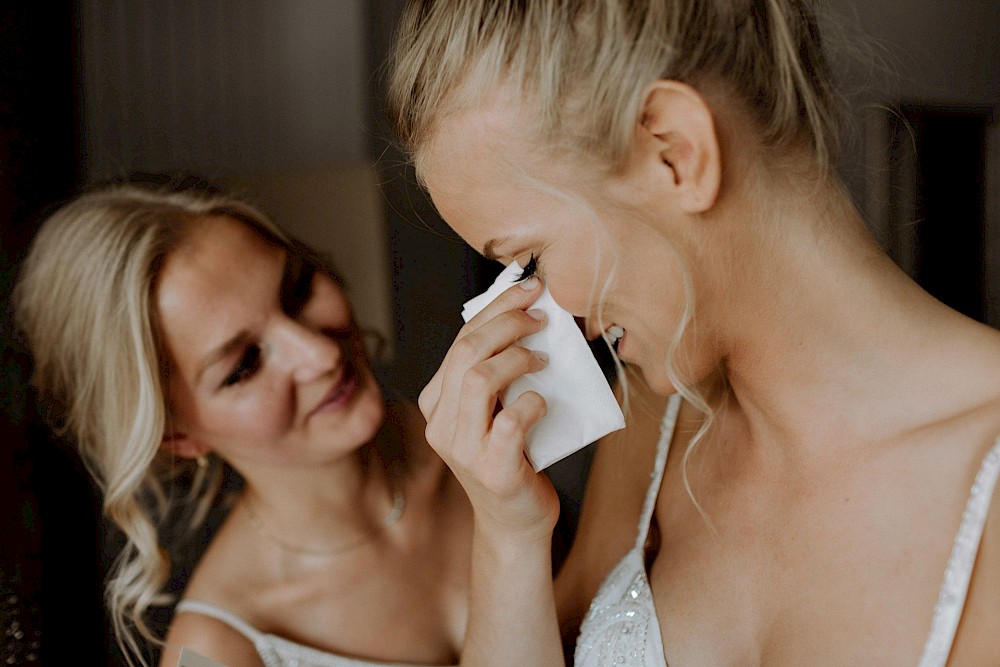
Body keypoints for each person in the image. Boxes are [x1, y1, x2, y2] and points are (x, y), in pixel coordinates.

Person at [386, 1, 1000, 665]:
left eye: (531, 259)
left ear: (676, 152)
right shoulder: (653, 426)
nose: (554, 313)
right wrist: (509, 537)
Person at [13, 182, 472, 667]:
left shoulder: (477, 420)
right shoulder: (215, 651)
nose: (321, 354)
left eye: (296, 292)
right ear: (177, 437)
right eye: (244, 365)